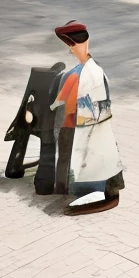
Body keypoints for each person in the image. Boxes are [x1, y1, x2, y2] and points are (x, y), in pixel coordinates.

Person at [51, 21, 123, 215]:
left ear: (71, 45)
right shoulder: (92, 70)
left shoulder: (85, 73)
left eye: (70, 46)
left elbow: (66, 102)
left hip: (88, 125)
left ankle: (98, 194)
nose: (71, 50)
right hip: (93, 122)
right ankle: (92, 190)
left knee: (88, 156)